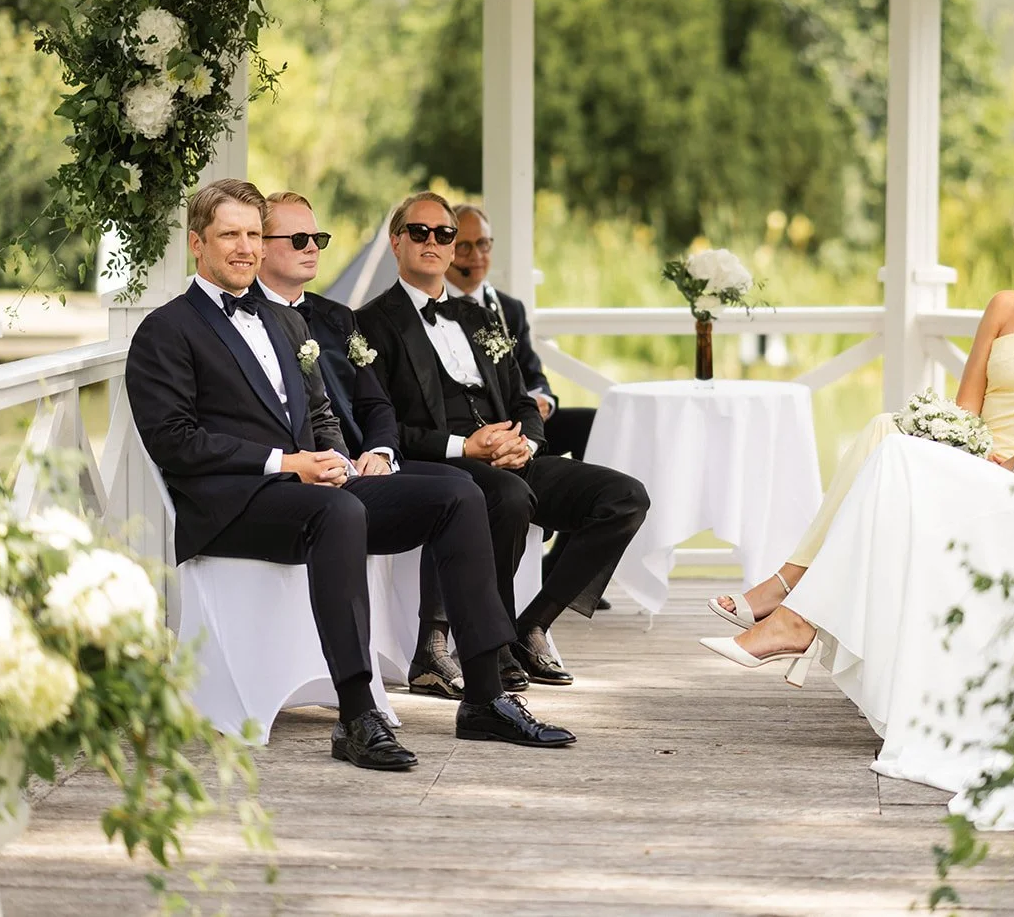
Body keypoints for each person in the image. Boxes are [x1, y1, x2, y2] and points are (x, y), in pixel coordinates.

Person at [701, 203, 1014, 812]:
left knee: (900, 459)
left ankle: (798, 618)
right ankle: (801, 621)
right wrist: (1002, 469)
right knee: (899, 459)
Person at [126, 179, 576, 771]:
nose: (245, 247)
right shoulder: (166, 329)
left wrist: (336, 457)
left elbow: (315, 409)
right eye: (229, 234)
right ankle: (358, 713)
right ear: (196, 243)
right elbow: (173, 441)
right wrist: (287, 463)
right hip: (234, 505)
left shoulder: (285, 322)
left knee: (457, 492)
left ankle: (487, 696)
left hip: (313, 487)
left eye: (253, 234)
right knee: (340, 512)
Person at [355, 191, 651, 688]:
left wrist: (528, 444)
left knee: (625, 498)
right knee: (507, 498)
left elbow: (521, 399)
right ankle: (467, 647)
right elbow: (379, 425)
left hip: (513, 455)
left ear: (453, 248)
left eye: (444, 234)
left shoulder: (483, 317)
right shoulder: (369, 324)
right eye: (420, 232)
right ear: (396, 242)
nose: (434, 242)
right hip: (442, 462)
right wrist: (465, 448)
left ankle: (531, 625)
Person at [708, 230, 1014, 630]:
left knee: (883, 440)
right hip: (974, 448)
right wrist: (961, 443)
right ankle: (798, 601)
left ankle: (791, 587)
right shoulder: (1006, 305)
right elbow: (968, 403)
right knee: (883, 432)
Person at [255, 190, 484, 701]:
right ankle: (443, 673)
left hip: (369, 466)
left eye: (318, 238)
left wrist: (380, 453)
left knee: (466, 489)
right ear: (261, 247)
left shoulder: (338, 317)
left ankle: (474, 668)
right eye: (297, 239)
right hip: (314, 480)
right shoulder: (252, 324)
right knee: (463, 492)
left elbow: (377, 405)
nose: (312, 247)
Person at [444, 203, 608, 608]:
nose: (476, 256)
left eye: (483, 244)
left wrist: (542, 401)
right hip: (476, 430)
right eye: (464, 246)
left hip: (524, 418)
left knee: (593, 424)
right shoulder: (434, 308)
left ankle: (568, 563)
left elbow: (534, 373)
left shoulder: (508, 307)